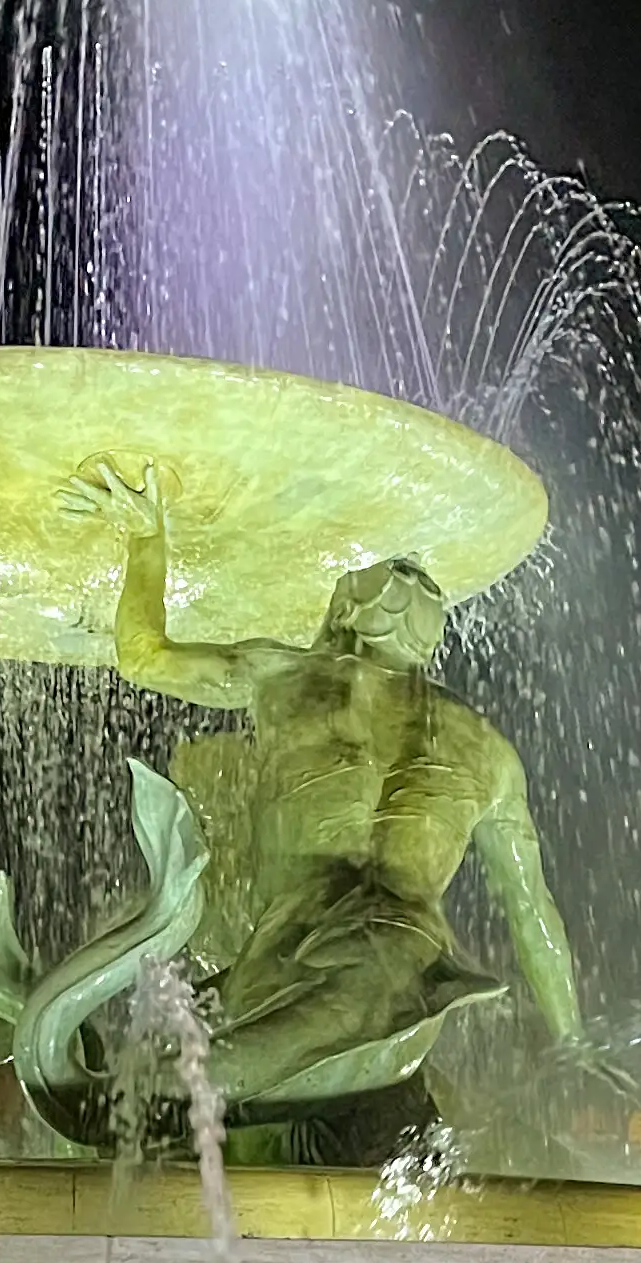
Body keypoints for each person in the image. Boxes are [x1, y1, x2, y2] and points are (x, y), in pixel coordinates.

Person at [65, 461, 585, 1111]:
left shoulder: (281, 676)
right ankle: (164, 1096)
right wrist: (572, 1041)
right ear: (434, 635)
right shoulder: (486, 747)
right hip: (376, 989)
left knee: (155, 1104)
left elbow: (142, 655)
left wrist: (149, 540)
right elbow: (530, 907)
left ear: (341, 610)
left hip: (323, 981)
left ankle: (153, 1098)